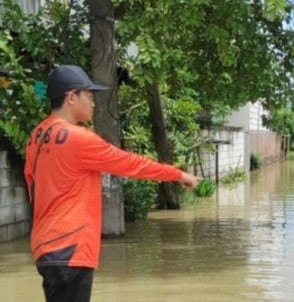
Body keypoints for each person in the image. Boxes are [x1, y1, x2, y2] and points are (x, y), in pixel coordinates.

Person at [23, 65, 200, 302]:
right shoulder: (80, 139)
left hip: (45, 247)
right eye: (89, 96)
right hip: (71, 246)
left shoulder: (35, 137)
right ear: (71, 97)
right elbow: (130, 163)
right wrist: (177, 175)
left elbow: (32, 185)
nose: (93, 103)